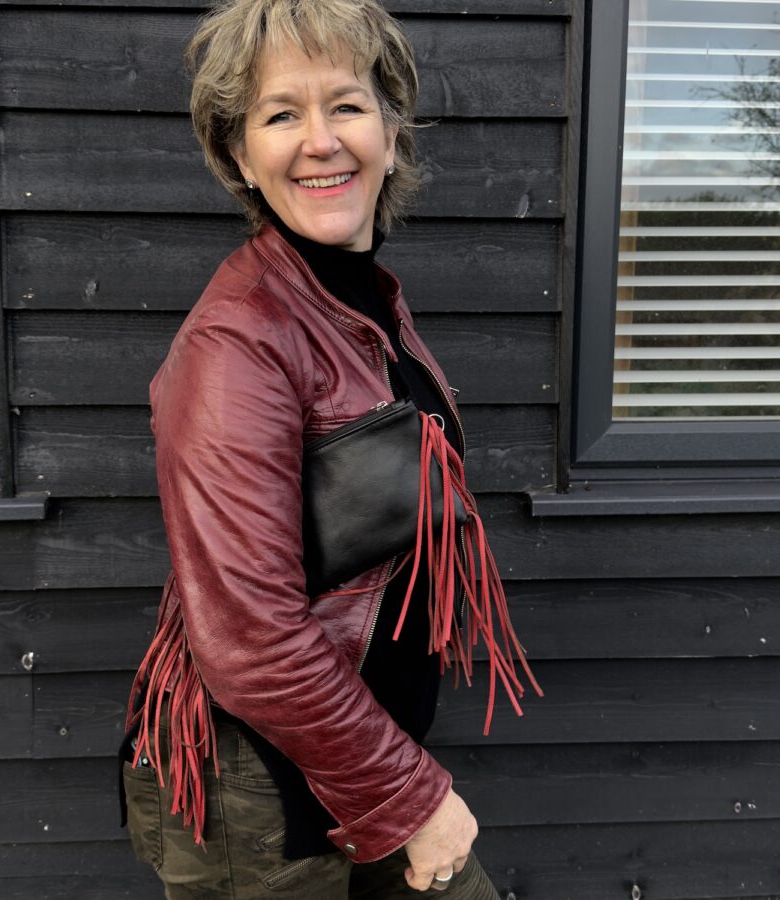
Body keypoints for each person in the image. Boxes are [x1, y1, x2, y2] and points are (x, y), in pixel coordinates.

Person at [120, 1, 539, 896]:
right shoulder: (238, 342)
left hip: (350, 764)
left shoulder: (360, 301)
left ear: (390, 128)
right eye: (280, 114)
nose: (321, 141)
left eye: (346, 105)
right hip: (263, 802)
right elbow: (249, 639)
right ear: (240, 154)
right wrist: (415, 800)